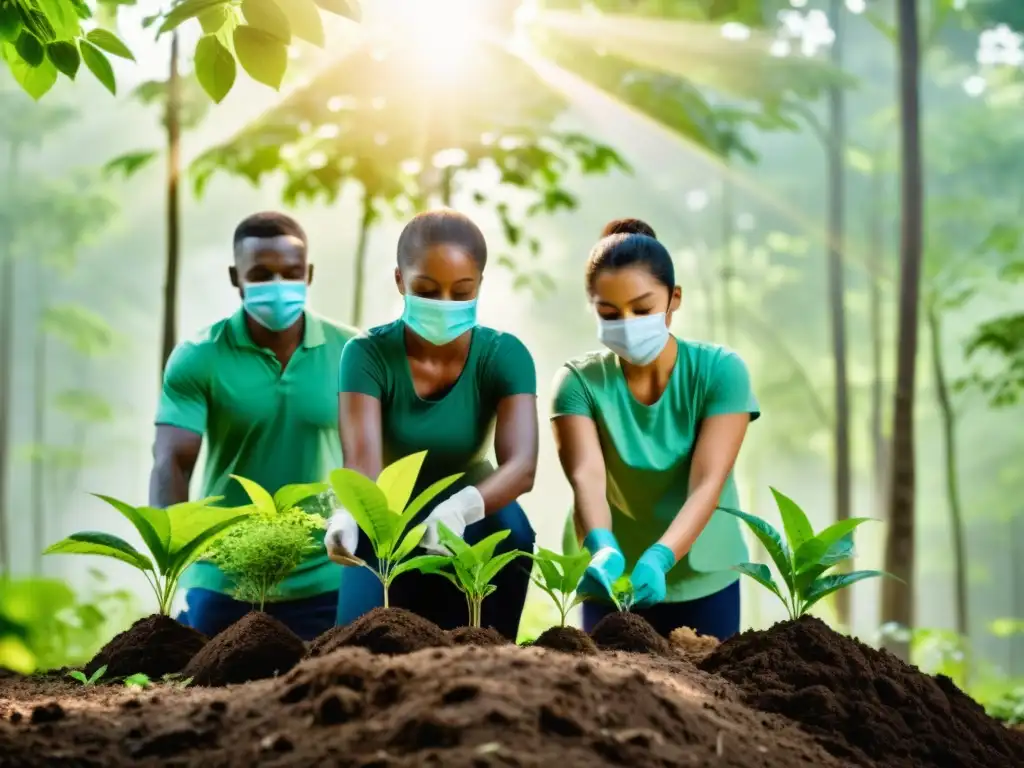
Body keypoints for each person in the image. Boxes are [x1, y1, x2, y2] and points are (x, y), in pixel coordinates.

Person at [328, 209, 538, 640]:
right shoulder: (367, 354)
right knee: (357, 643)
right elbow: (362, 459)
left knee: (512, 531)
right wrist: (350, 512)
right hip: (388, 512)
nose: (444, 304)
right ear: (400, 281)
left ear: (479, 285)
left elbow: (522, 465)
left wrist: (460, 508)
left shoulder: (503, 355)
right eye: (426, 289)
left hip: (476, 510)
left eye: (461, 291)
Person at [151, 211, 358, 641]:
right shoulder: (199, 357)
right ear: (236, 277)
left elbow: (372, 454)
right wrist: (172, 558)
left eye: (291, 272)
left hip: (329, 571)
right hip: (225, 575)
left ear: (310, 274)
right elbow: (173, 461)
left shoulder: (352, 353)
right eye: (261, 274)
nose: (278, 285)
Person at [551, 219, 759, 641]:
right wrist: (603, 549)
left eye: (642, 309)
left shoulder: (720, 372)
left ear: (673, 299)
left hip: (704, 574)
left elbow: (707, 483)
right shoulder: (578, 383)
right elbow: (586, 479)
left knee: (711, 692)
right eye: (609, 313)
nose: (627, 324)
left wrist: (661, 557)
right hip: (610, 576)